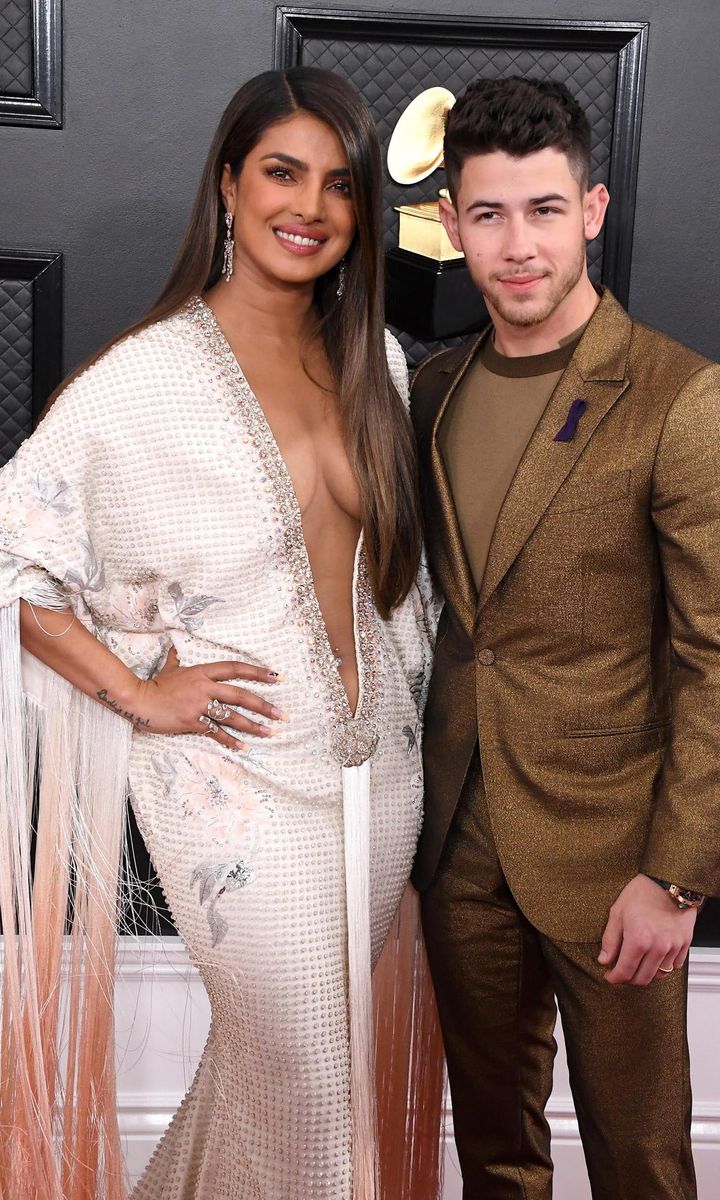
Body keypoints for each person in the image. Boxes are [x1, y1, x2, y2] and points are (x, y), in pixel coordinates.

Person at [0, 67, 443, 1200]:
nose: (311, 207)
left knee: (292, 1082)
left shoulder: (376, 365)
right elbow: (17, 564)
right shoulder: (142, 383)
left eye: (339, 184)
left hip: (378, 781)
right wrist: (142, 691)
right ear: (229, 186)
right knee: (302, 1083)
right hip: (228, 791)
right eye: (282, 173)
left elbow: (413, 594)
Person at [411, 75, 720, 1199]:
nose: (517, 244)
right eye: (487, 214)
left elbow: (715, 657)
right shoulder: (431, 391)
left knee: (641, 1162)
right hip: (459, 840)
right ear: (451, 226)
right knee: (495, 1153)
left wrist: (678, 877)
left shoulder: (679, 398)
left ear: (590, 209)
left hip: (615, 857)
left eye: (543, 210)